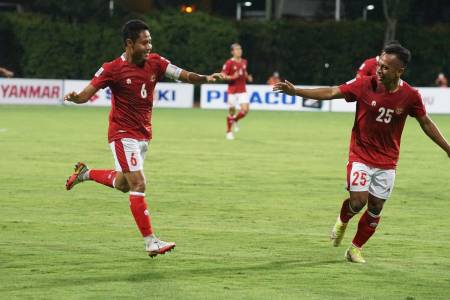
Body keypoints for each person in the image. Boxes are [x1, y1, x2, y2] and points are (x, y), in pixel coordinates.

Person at [274, 44, 450, 263]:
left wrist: (447, 148)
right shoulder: (364, 85)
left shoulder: (410, 96)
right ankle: (342, 219)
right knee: (358, 202)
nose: (379, 70)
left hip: (387, 162)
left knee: (375, 207)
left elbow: (425, 122)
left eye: (386, 68)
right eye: (379, 65)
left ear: (399, 71)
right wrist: (296, 91)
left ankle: (355, 248)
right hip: (361, 155)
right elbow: (331, 92)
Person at [64, 20, 222, 258]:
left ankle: (85, 173)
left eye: (150, 41)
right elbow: (87, 94)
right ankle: (151, 242)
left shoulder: (156, 63)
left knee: (123, 184)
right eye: (144, 42)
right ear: (130, 43)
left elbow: (182, 74)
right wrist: (77, 98)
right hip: (121, 134)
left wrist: (205, 78)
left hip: (143, 135)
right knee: (139, 184)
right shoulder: (112, 68)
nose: (149, 45)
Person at [221, 43, 253, 140]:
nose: (239, 51)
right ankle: (229, 131)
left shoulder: (244, 61)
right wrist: (232, 77)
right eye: (237, 49)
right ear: (232, 52)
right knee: (232, 111)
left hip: (242, 90)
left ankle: (234, 120)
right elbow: (223, 75)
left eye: (240, 49)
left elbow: (244, 71)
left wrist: (248, 77)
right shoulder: (229, 63)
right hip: (232, 91)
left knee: (245, 110)